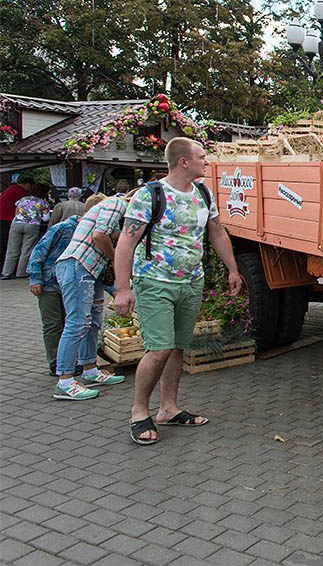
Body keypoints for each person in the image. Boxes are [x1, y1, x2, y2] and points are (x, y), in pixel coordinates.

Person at [113, 137, 242, 445]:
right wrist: (122, 289)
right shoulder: (150, 196)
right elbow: (126, 243)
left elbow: (216, 232)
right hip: (155, 283)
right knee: (158, 349)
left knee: (177, 348)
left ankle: (168, 409)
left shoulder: (203, 193)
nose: (206, 161)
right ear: (184, 161)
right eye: (202, 156)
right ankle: (138, 412)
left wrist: (233, 269)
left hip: (191, 283)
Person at [52, 192, 131, 400]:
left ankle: (90, 369)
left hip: (91, 271)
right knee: (77, 322)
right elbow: (99, 236)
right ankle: (65, 381)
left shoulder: (116, 209)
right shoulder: (116, 204)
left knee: (94, 321)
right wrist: (116, 259)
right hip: (78, 266)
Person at [27, 194, 106, 375]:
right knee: (54, 324)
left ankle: (75, 361)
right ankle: (57, 364)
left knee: (75, 323)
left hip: (74, 285)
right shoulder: (62, 228)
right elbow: (38, 252)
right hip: (50, 284)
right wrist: (35, 279)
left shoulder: (94, 232)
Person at [2, 183, 51, 279]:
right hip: (32, 226)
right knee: (27, 250)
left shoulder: (22, 200)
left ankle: (6, 272)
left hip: (16, 224)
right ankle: (21, 273)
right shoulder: (43, 203)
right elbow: (46, 218)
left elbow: (16, 212)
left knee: (12, 249)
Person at [0, 176, 33, 265]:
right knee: (6, 245)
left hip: (4, 218)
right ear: (28, 185)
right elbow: (28, 203)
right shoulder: (19, 191)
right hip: (7, 219)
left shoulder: (11, 189)